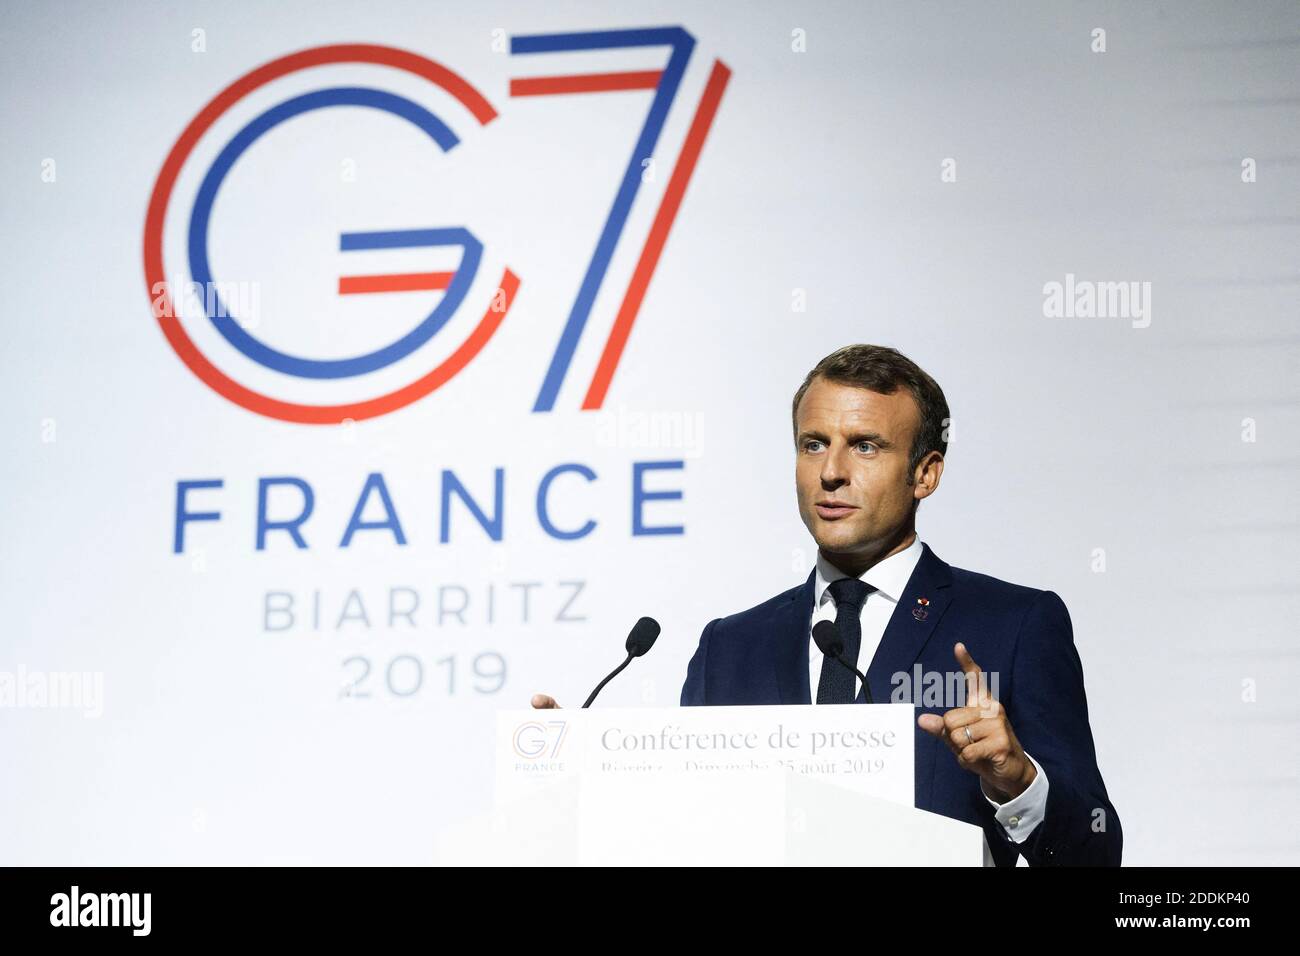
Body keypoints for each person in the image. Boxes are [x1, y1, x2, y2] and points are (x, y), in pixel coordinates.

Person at [533, 344, 1121, 866]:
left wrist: (1017, 782)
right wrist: (590, 786)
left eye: (865, 447)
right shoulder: (730, 647)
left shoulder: (1013, 625)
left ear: (926, 473)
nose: (832, 473)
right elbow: (686, 836)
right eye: (814, 444)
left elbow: (1096, 853)